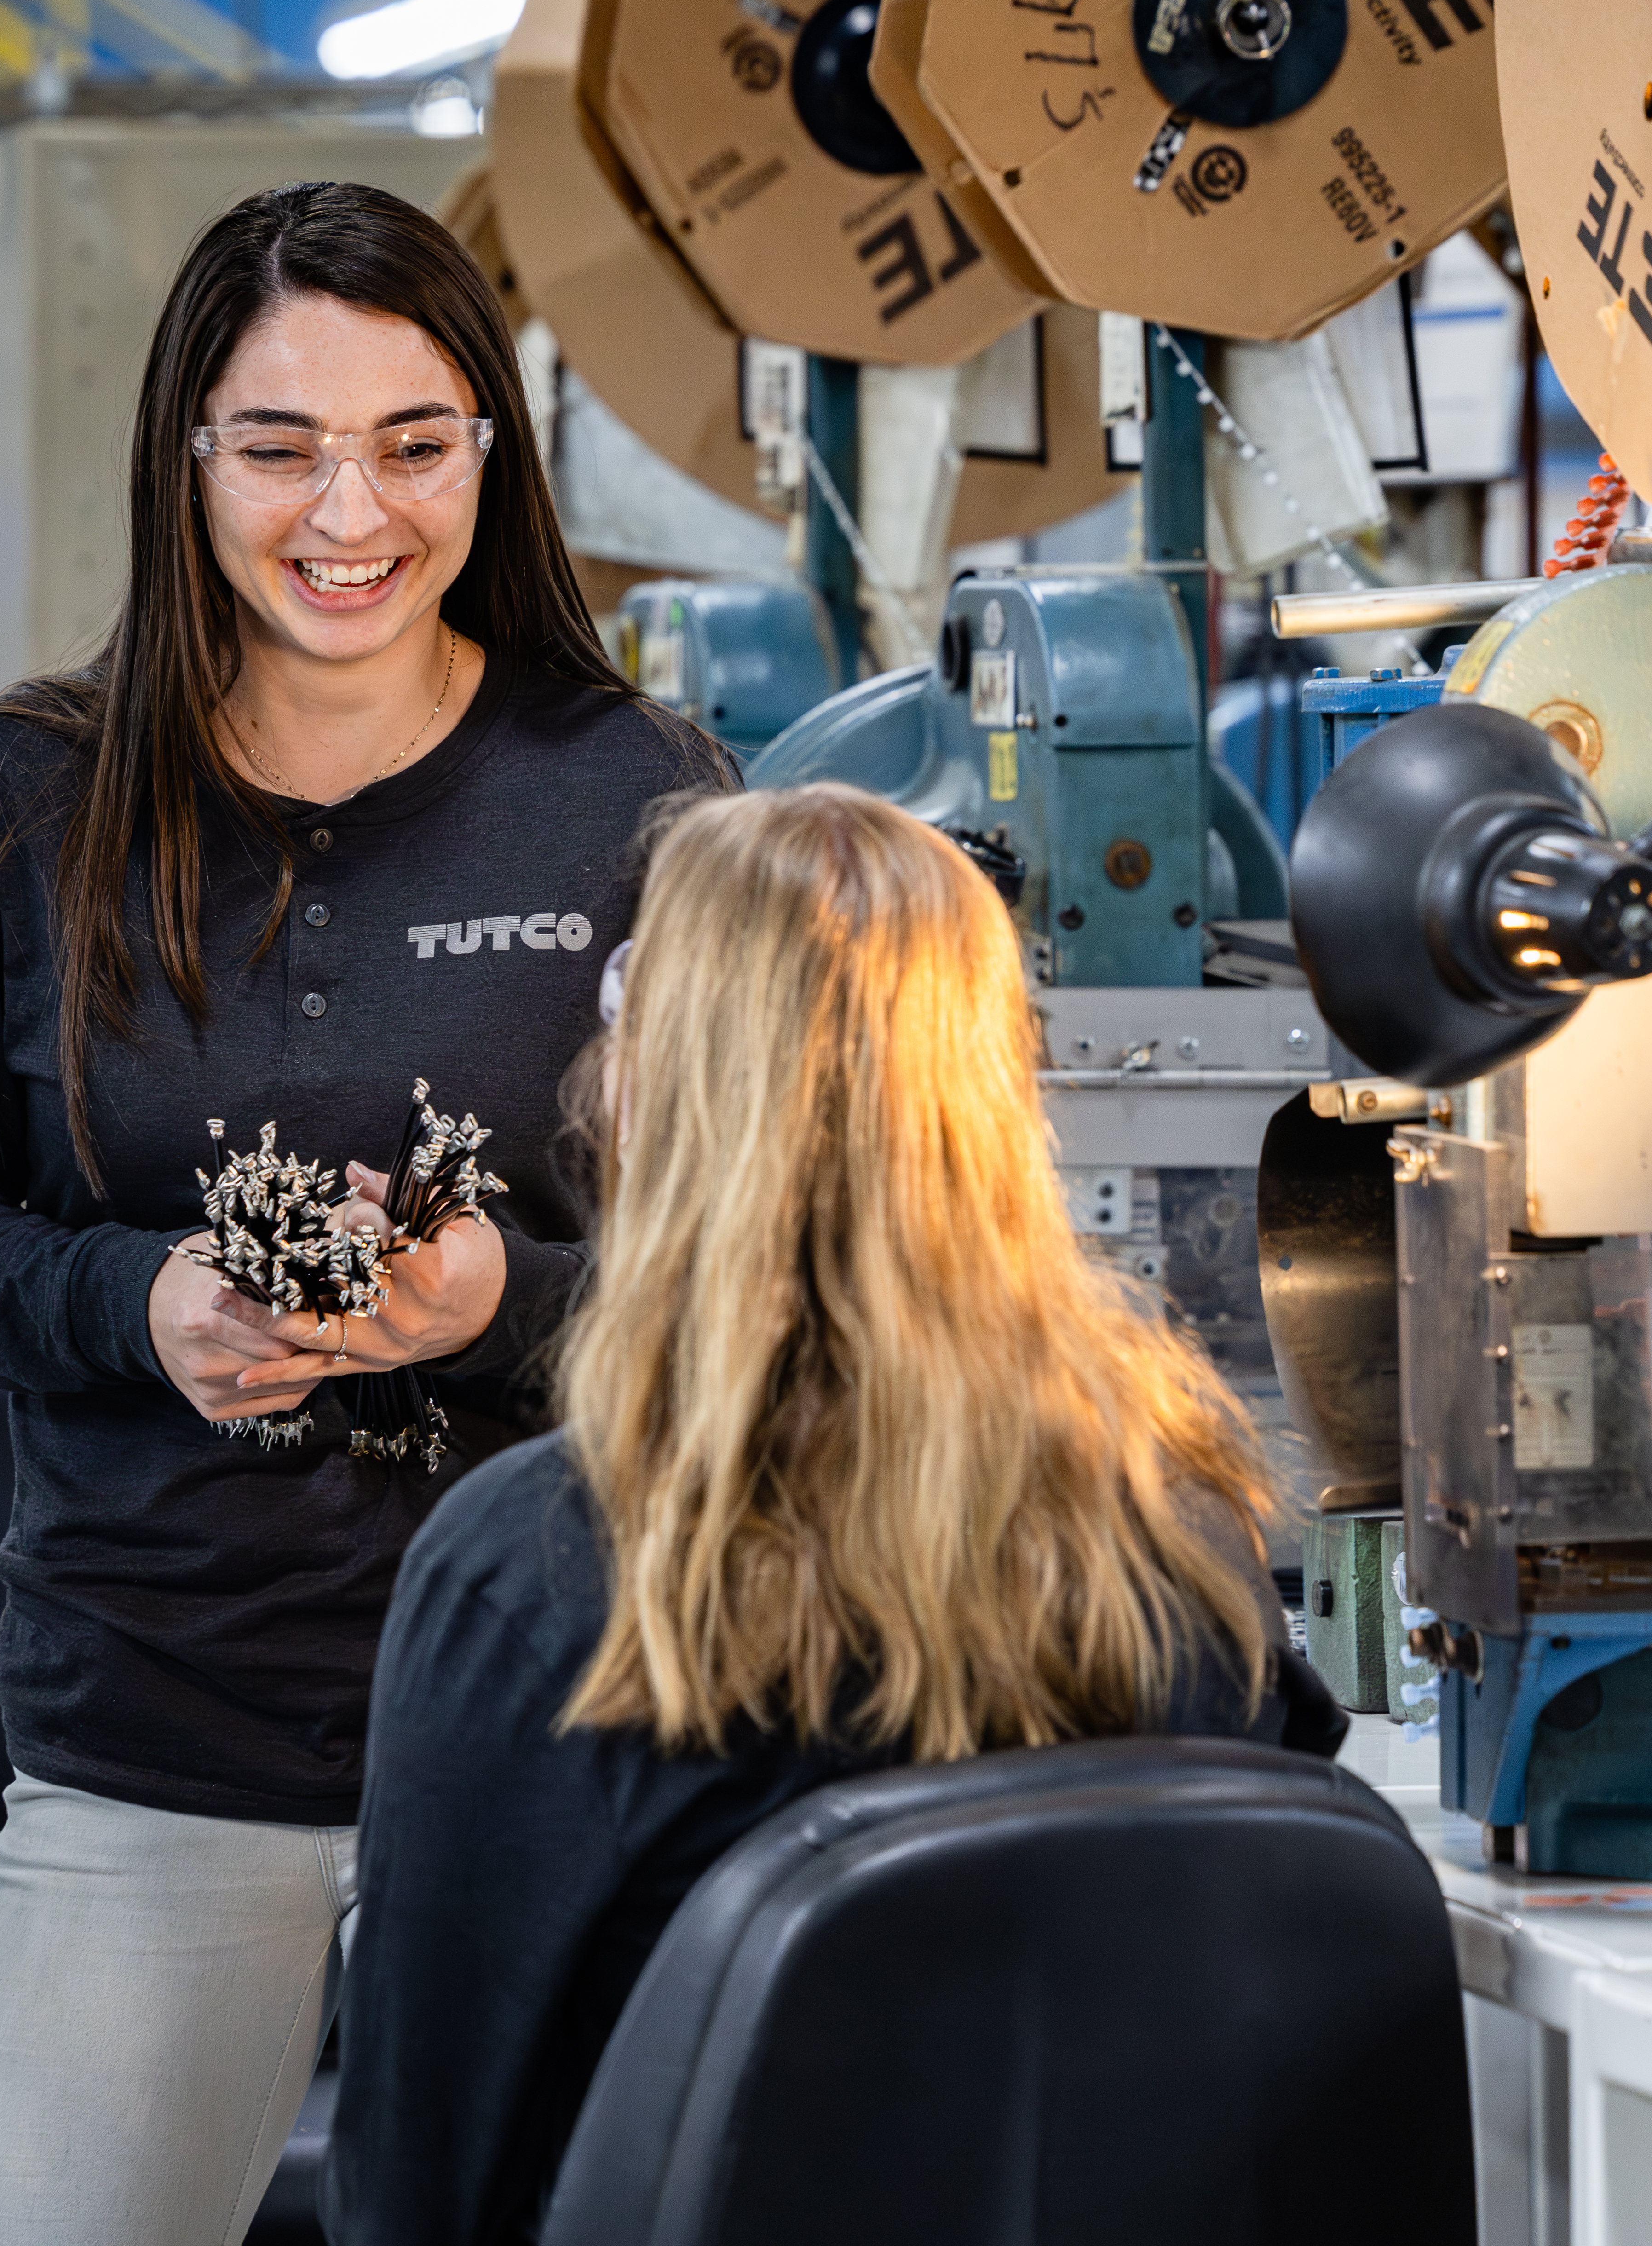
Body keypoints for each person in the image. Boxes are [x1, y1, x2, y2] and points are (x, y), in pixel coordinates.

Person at [0, 179, 721, 2246]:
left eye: (414, 445)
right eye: (280, 447)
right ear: (185, 460)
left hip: (560, 1731)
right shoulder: (15, 798)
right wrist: (141, 1309)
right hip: (157, 1724)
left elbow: (740, 1271)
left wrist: (504, 1297)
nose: (352, 514)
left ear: (490, 457)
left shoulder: (641, 790)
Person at [320, 783, 1350, 2246]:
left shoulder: (541, 1574)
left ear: (649, 1097)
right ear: (1000, 1098)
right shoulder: (1183, 1531)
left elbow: (420, 2189)